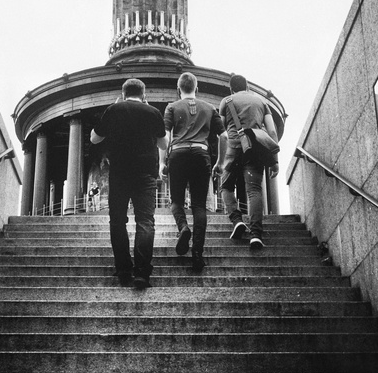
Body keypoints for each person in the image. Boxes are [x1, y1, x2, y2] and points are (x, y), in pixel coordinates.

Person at [90, 78, 167, 289]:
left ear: (123, 94)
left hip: (120, 174)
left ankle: (124, 270)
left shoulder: (113, 110)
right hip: (145, 175)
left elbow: (95, 139)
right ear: (143, 94)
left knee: (117, 221)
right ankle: (142, 272)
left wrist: (115, 108)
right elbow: (163, 143)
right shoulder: (153, 112)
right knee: (145, 221)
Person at [163, 72, 224, 273]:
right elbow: (223, 137)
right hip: (201, 154)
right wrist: (220, 162)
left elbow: (165, 137)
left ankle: (183, 228)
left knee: (176, 202)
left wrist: (162, 163)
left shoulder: (171, 107)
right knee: (199, 205)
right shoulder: (209, 107)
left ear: (178, 89)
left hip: (178, 154)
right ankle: (197, 254)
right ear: (196, 89)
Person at [213, 74, 279, 250]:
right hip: (255, 148)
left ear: (231, 88)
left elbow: (222, 131)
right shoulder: (261, 102)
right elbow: (272, 132)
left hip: (233, 148)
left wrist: (219, 160)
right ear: (247, 86)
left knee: (226, 187)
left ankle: (237, 220)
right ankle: (256, 235)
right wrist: (274, 160)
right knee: (254, 190)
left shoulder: (226, 101)